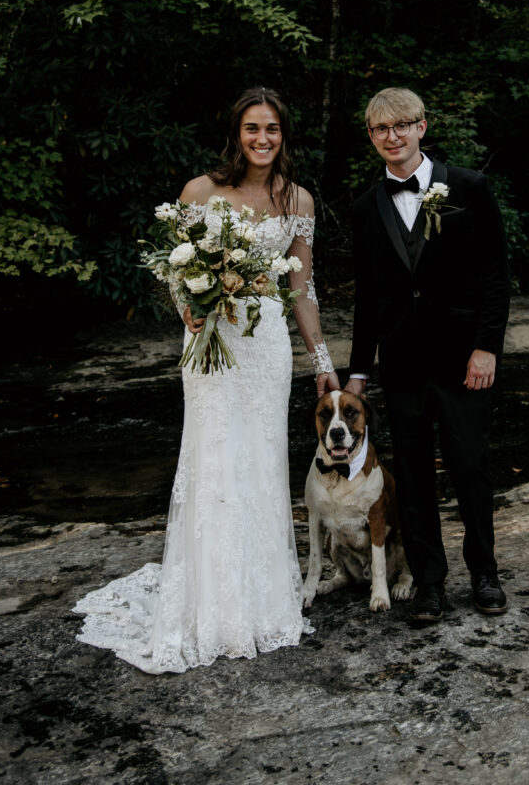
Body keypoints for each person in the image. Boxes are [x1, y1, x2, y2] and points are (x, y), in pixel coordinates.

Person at [73, 87, 339, 672]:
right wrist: (187, 309)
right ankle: (207, 607)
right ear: (235, 133)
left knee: (262, 463)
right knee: (215, 458)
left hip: (265, 347)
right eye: (252, 129)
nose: (262, 139)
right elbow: (179, 271)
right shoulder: (200, 192)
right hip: (211, 343)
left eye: (272, 129)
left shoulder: (299, 200)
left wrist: (322, 363)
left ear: (284, 135)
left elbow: (302, 289)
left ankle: (262, 604)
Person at [344, 87, 510, 623]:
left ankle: (484, 572)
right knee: (413, 477)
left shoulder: (469, 187)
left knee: (470, 466)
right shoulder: (365, 208)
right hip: (402, 366)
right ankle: (429, 582)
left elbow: (494, 274)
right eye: (379, 130)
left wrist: (486, 346)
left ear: (421, 127)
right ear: (371, 138)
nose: (391, 137)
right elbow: (368, 297)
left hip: (465, 360)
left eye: (401, 126)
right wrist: (358, 372)